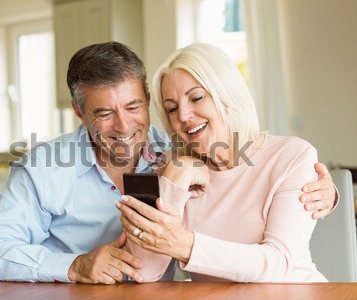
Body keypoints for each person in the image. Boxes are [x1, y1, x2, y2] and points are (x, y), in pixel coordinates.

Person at [0, 41, 336, 284]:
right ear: (80, 113)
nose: (124, 126)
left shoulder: (179, 150)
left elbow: (268, 191)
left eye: (133, 107)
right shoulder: (44, 167)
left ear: (147, 99)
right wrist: (74, 265)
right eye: (103, 113)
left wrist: (325, 193)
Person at [116, 43, 330, 282]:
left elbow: (277, 263)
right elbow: (142, 269)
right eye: (172, 108)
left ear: (227, 95)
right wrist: (176, 178)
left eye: (196, 98)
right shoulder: (171, 166)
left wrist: (185, 245)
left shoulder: (291, 156)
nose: (183, 116)